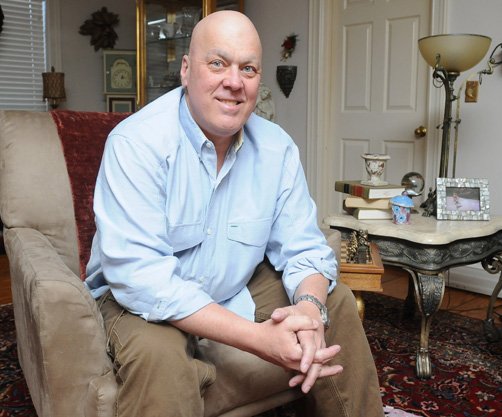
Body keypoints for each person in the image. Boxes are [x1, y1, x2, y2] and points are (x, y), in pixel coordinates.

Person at [84, 10, 383, 417]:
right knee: (159, 357)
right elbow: (143, 279)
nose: (234, 82)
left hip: (233, 283)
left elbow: (304, 247)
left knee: (338, 301)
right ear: (186, 71)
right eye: (218, 63)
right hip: (139, 301)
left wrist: (309, 310)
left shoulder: (277, 148)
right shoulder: (137, 144)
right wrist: (258, 339)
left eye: (248, 68)